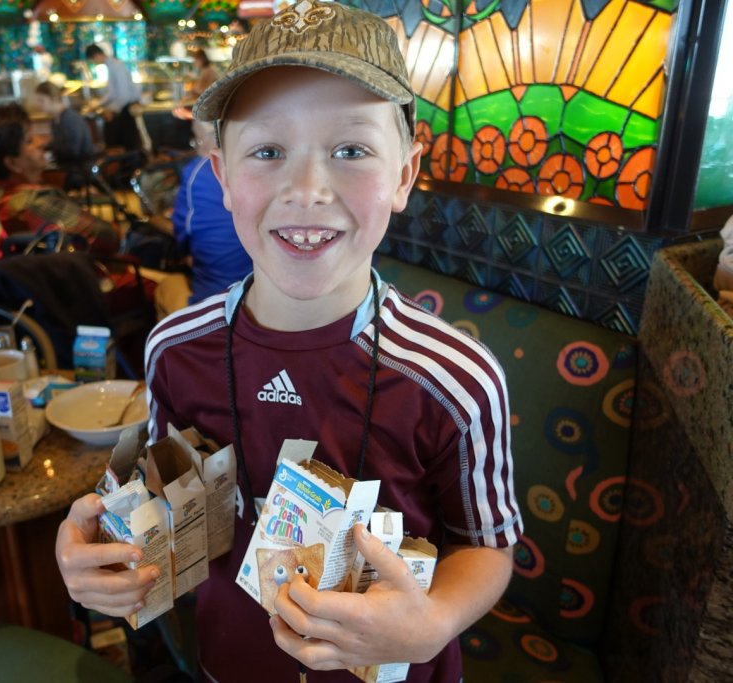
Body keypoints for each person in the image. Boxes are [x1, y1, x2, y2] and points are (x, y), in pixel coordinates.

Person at [55, 3, 522, 682]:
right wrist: (103, 552)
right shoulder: (174, 349)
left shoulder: (457, 377)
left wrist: (439, 618)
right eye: (268, 151)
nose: (306, 190)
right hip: (225, 661)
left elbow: (488, 546)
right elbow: (165, 493)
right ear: (219, 174)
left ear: (405, 173)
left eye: (351, 150)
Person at [0, 104, 119, 252]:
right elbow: (109, 236)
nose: (41, 143)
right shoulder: (35, 202)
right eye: (30, 140)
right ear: (12, 163)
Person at [153, 118, 251, 318]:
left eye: (197, 141)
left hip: (214, 306)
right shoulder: (269, 169)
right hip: (270, 307)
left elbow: (183, 234)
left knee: (166, 286)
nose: (197, 147)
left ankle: (176, 346)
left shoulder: (198, 173)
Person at [85, 44, 144, 154]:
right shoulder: (111, 65)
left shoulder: (116, 66)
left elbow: (123, 95)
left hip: (127, 109)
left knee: (126, 145)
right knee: (123, 143)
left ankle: (127, 167)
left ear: (97, 56)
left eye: (92, 60)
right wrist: (100, 104)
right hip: (123, 108)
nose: (94, 63)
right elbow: (112, 93)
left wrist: (112, 110)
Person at [32, 81, 99, 169]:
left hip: (80, 171)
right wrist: (43, 147)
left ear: (54, 98)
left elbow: (72, 152)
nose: (38, 105)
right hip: (69, 168)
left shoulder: (70, 118)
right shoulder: (56, 119)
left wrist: (48, 149)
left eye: (41, 101)